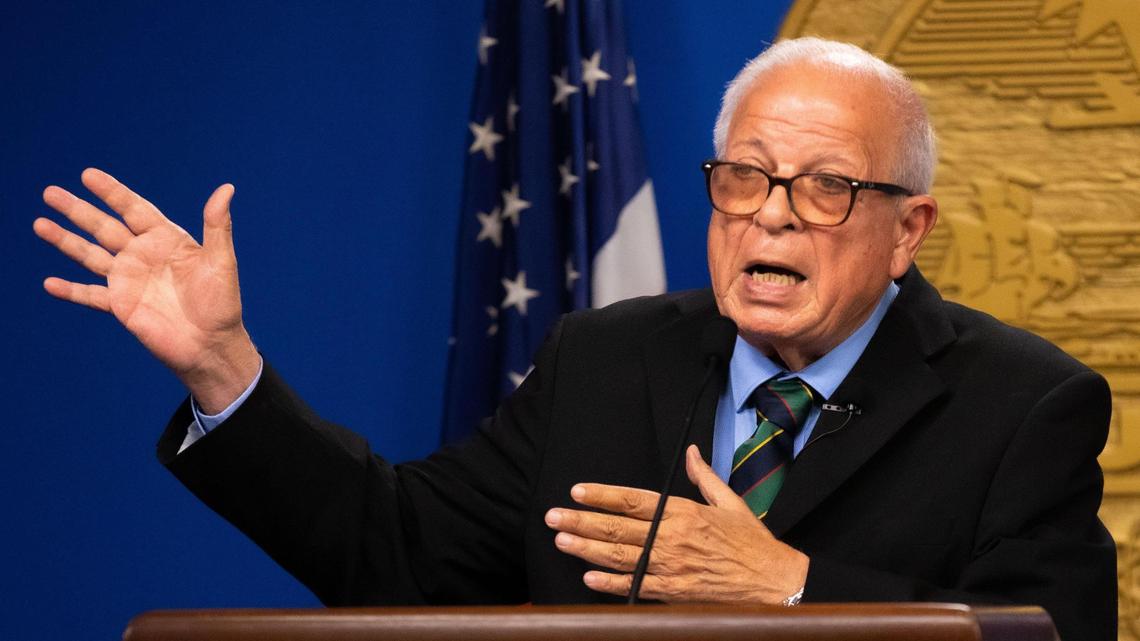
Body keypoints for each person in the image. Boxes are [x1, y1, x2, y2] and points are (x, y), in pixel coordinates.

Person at [33, 37, 1116, 641]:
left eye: (827, 186)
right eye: (745, 175)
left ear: (906, 230)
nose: (772, 214)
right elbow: (398, 551)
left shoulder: (1026, 402)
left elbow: (1047, 636)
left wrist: (791, 584)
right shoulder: (606, 357)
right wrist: (222, 364)